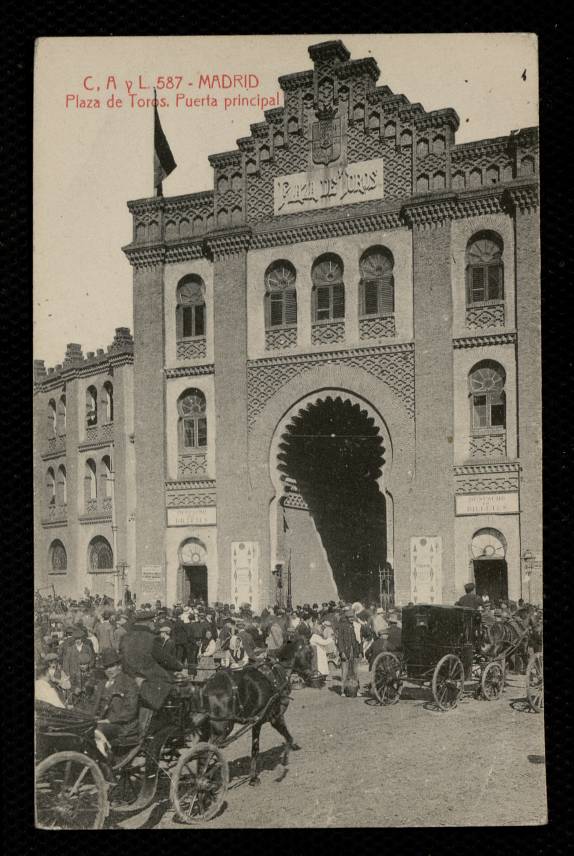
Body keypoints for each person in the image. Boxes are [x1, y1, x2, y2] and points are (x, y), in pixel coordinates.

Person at [121, 610, 182, 710]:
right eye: (153, 622)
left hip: (129, 676)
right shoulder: (152, 638)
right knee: (174, 685)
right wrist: (178, 665)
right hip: (149, 679)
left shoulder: (125, 637)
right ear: (148, 622)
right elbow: (164, 658)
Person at [88, 648, 140, 743]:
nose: (109, 670)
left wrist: (109, 720)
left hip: (121, 725)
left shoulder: (128, 683)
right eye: (106, 667)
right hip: (100, 722)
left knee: (95, 731)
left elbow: (130, 710)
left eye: (111, 666)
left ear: (119, 666)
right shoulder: (102, 684)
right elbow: (92, 704)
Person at [336, 609, 361, 697]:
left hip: (354, 651)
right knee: (345, 671)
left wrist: (360, 651)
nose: (351, 619)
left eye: (352, 617)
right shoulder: (342, 626)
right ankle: (343, 690)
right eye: (349, 617)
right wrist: (342, 652)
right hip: (346, 651)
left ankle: (356, 689)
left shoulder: (356, 626)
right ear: (346, 618)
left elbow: (359, 640)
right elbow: (339, 641)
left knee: (355, 671)